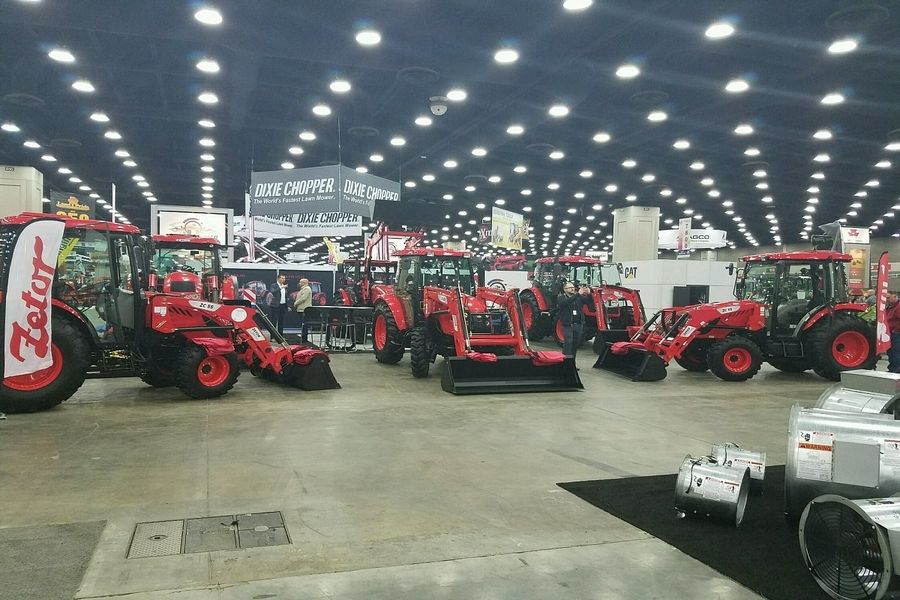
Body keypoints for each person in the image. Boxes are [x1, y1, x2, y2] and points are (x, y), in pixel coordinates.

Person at [557, 281, 594, 359]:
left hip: (578, 324)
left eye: (573, 287)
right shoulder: (561, 298)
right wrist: (578, 294)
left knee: (575, 344)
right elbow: (565, 303)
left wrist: (589, 294)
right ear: (565, 289)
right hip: (568, 325)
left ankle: (572, 362)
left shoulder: (578, 297)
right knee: (568, 342)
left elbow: (589, 302)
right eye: (570, 287)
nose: (572, 289)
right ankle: (565, 361)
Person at [293, 278, 313, 343]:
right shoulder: (303, 289)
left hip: (304, 309)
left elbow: (303, 298)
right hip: (301, 309)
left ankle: (304, 339)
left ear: (304, 283)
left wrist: (295, 303)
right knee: (303, 324)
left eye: (300, 282)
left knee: (304, 324)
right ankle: (303, 337)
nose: (299, 283)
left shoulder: (307, 289)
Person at [887, 292, 900, 373]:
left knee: (896, 352)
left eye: (888, 298)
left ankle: (896, 369)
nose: (887, 300)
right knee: (891, 352)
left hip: (896, 333)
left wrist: (896, 329)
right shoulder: (890, 307)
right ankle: (892, 368)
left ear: (895, 296)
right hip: (890, 332)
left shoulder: (898, 307)